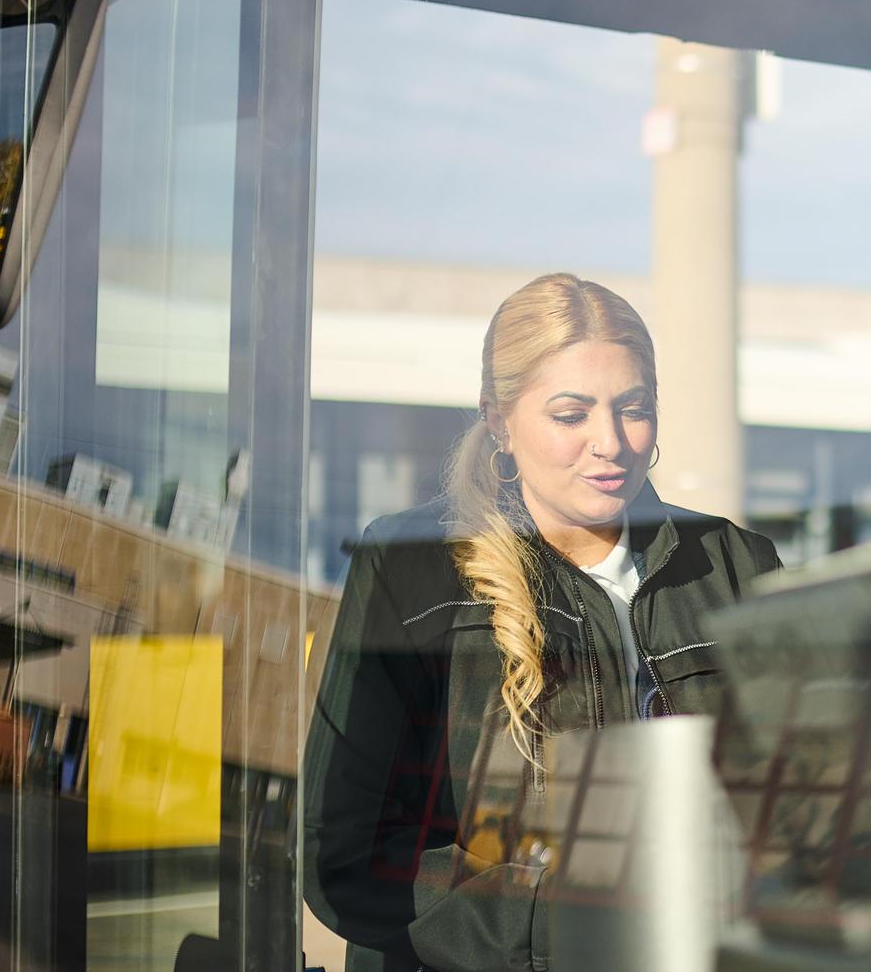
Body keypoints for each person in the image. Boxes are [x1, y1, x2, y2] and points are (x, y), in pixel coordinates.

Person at [304, 274, 782, 972]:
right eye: (570, 414)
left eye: (633, 409)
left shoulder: (733, 563)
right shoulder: (414, 567)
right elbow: (346, 856)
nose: (609, 442)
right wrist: (568, 924)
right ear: (499, 419)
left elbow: (802, 799)